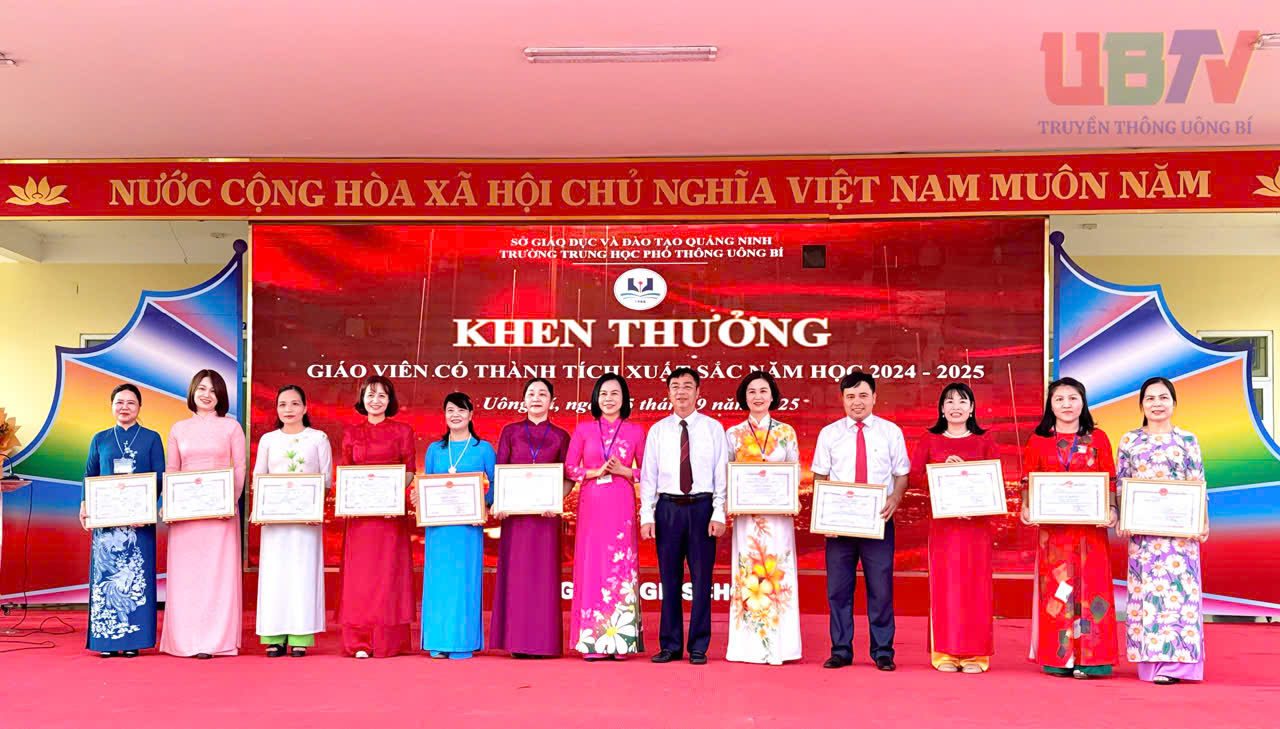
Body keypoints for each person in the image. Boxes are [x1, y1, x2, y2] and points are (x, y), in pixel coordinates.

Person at [1019, 376, 1118, 679]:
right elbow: (1027, 479)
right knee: (1058, 591)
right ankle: (1059, 658)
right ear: (1050, 405)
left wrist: (1112, 508)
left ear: (1083, 403)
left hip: (1091, 531)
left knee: (1093, 590)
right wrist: (1026, 505)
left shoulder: (1097, 438)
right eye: (1059, 399)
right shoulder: (1039, 440)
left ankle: (1092, 660)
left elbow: (1109, 478)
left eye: (1073, 398)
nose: (1066, 404)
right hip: (1054, 534)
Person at [812, 372, 909, 671]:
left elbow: (901, 474)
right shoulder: (829, 434)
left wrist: (896, 498)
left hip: (878, 521)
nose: (857, 402)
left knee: (881, 588)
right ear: (842, 399)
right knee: (838, 590)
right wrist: (823, 517)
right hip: (838, 526)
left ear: (875, 398)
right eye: (851, 396)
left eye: (863, 395)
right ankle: (841, 649)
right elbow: (819, 476)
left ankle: (883, 651)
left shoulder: (890, 432)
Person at [1116, 376, 1209, 685]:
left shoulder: (1187, 440)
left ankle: (1178, 666)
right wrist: (1122, 518)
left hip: (1180, 536)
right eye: (1150, 398)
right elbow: (1121, 484)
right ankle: (1151, 664)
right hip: (1143, 539)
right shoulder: (1129, 441)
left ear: (1174, 403)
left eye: (1163, 397)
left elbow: (1198, 483)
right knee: (1147, 598)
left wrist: (1203, 521)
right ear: (1142, 405)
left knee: (1180, 596)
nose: (1157, 403)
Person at [908, 382, 1001, 673]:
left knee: (976, 587)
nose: (956, 407)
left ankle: (975, 655)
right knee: (945, 587)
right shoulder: (930, 439)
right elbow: (914, 477)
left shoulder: (985, 440)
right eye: (949, 401)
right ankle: (945, 652)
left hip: (976, 526)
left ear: (972, 408)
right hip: (944, 527)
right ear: (941, 409)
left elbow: (995, 480)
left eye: (962, 401)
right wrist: (940, 471)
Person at [639, 367, 727, 665]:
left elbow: (721, 475)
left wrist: (719, 512)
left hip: (702, 508)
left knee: (702, 579)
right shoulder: (658, 430)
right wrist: (647, 515)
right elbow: (648, 477)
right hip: (668, 509)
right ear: (668, 393)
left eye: (688, 386)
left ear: (698, 392)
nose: (681, 391)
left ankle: (699, 645)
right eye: (675, 386)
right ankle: (670, 644)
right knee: (669, 578)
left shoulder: (713, 429)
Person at [160, 369, 246, 658]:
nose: (207, 395)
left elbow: (240, 467)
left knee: (217, 575)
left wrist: (229, 501)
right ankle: (186, 640)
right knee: (187, 577)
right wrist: (169, 502)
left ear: (221, 395)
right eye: (201, 389)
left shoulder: (231, 427)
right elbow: (172, 469)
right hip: (186, 515)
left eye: (213, 390)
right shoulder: (178, 428)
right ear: (192, 392)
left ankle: (216, 641)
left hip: (220, 514)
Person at [80, 383, 165, 657]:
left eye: (130, 402)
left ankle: (133, 641)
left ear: (139, 407)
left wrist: (146, 510)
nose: (124, 407)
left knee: (136, 578)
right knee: (105, 578)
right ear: (112, 406)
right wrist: (85, 505)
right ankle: (106, 642)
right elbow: (90, 475)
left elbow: (160, 477)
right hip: (107, 527)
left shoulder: (151, 438)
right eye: (119, 402)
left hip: (139, 525)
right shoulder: (100, 439)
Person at [566, 374, 646, 660]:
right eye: (603, 393)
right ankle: (592, 642)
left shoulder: (636, 431)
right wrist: (594, 472)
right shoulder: (583, 430)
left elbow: (649, 472)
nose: (609, 399)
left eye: (614, 393)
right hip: (591, 504)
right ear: (595, 398)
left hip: (621, 505)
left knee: (621, 567)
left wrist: (625, 471)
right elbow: (569, 468)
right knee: (592, 566)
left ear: (624, 398)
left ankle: (620, 643)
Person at [490, 377, 572, 658]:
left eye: (542, 394)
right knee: (517, 576)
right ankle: (517, 642)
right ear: (524, 399)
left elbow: (569, 476)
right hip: (515, 518)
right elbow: (500, 470)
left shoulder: (561, 436)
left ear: (552, 401)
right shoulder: (510, 432)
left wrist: (556, 500)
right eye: (531, 393)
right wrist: (500, 502)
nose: (536, 398)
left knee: (543, 577)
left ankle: (543, 643)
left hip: (545, 518)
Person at [724, 370, 802, 665]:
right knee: (749, 577)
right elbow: (726, 474)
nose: (757, 396)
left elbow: (794, 472)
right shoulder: (733, 434)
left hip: (778, 518)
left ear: (772, 396)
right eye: (752, 391)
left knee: (777, 574)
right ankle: (749, 648)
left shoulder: (786, 432)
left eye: (763, 391)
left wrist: (788, 497)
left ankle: (781, 648)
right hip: (747, 519)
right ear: (744, 397)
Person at [338, 375, 416, 658]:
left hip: (389, 515)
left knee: (388, 574)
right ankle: (359, 641)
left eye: (382, 395)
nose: (376, 400)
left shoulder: (403, 431)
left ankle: (387, 640)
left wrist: (388, 496)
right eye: (370, 395)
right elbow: (346, 472)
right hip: (360, 518)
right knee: (360, 577)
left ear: (390, 400)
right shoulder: (351, 433)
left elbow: (409, 470)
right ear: (362, 398)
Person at [252, 385, 332, 658]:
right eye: (283, 404)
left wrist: (314, 509)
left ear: (305, 408)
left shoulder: (318, 438)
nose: (288, 409)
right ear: (276, 409)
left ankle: (301, 635)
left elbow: (326, 480)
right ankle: (273, 636)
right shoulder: (268, 440)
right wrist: (260, 510)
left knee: (303, 574)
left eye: (295, 404)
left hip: (306, 522)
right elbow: (259, 477)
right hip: (274, 522)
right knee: (274, 575)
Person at [416, 392, 496, 659]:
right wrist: (420, 498)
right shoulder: (434, 450)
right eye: (450, 410)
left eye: (461, 410)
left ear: (471, 415)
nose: (455, 415)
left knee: (464, 583)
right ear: (444, 415)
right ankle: (437, 641)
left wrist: (483, 506)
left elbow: (496, 484)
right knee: (438, 583)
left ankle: (462, 642)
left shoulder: (483, 449)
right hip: (439, 529)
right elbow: (428, 484)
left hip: (467, 529)